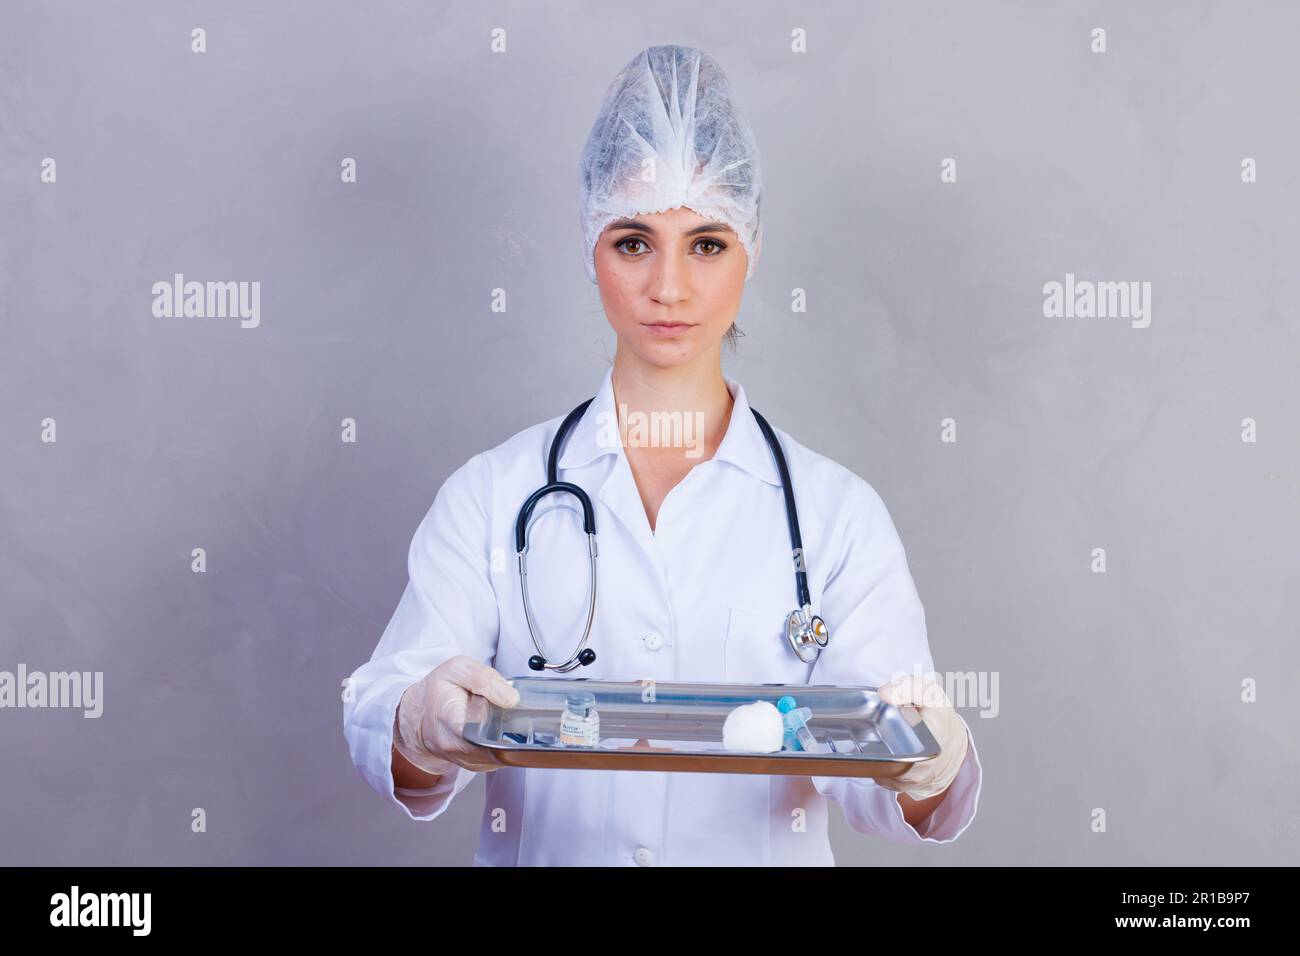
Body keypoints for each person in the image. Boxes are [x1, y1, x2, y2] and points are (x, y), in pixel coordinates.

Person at [343, 44, 981, 866]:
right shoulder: (491, 496)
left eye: (707, 243)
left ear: (751, 249)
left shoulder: (835, 516)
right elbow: (391, 723)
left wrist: (935, 756)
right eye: (634, 241)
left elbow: (890, 788)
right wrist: (416, 722)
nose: (670, 288)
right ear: (589, 248)